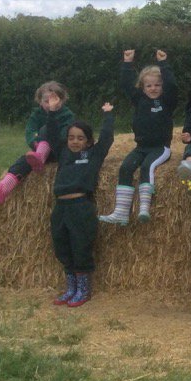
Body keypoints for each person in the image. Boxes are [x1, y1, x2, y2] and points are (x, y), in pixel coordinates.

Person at [100, 49, 176, 225]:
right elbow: (126, 85)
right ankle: (121, 213)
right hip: (141, 147)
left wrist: (163, 63)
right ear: (142, 87)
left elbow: (172, 85)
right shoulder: (139, 100)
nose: (153, 88)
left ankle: (144, 209)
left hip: (160, 148)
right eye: (148, 85)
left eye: (157, 85)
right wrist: (127, 63)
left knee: (147, 167)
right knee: (125, 168)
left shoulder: (167, 101)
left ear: (162, 86)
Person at [50, 103, 115, 308]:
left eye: (80, 138)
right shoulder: (63, 153)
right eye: (71, 137)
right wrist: (53, 113)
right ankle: (71, 288)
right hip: (60, 207)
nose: (75, 141)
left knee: (81, 247)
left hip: (81, 206)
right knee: (62, 246)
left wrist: (108, 115)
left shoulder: (92, 155)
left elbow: (107, 138)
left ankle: (83, 290)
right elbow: (52, 135)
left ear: (88, 141)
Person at [0, 81, 74, 205]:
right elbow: (30, 131)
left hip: (58, 151)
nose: (49, 105)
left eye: (54, 100)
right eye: (46, 101)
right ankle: (2, 190)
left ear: (62, 100)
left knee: (46, 128)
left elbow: (65, 136)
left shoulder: (67, 115)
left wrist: (49, 134)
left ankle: (40, 157)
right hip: (38, 152)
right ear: (40, 101)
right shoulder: (36, 115)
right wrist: (36, 144)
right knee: (22, 161)